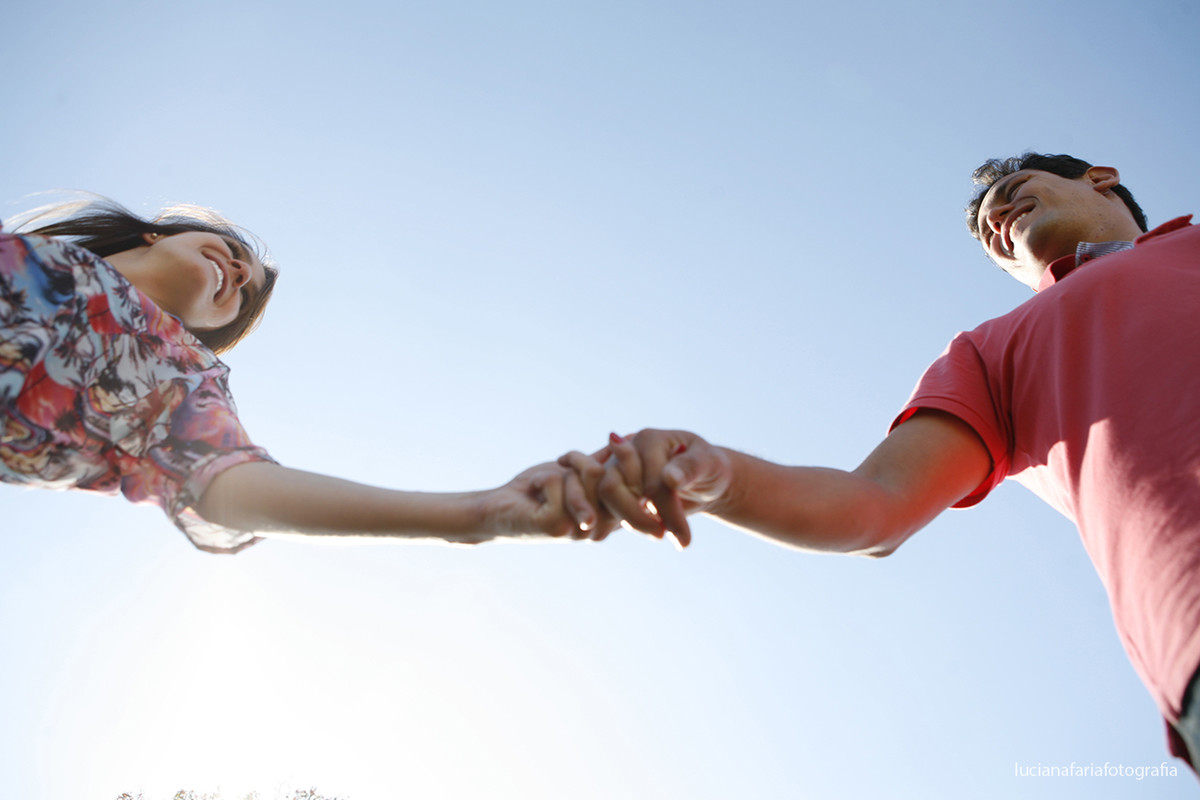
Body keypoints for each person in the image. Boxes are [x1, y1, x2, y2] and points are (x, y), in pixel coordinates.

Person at [560, 153, 1200, 767]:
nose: (996, 220)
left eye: (1013, 192)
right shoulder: (988, 353)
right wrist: (713, 472)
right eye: (987, 233)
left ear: (1101, 178)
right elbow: (875, 505)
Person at [1, 196, 605, 553]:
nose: (239, 273)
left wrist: (475, 512)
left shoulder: (173, 377)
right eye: (234, 255)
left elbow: (229, 484)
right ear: (156, 233)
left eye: (243, 295)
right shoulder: (24, 252)